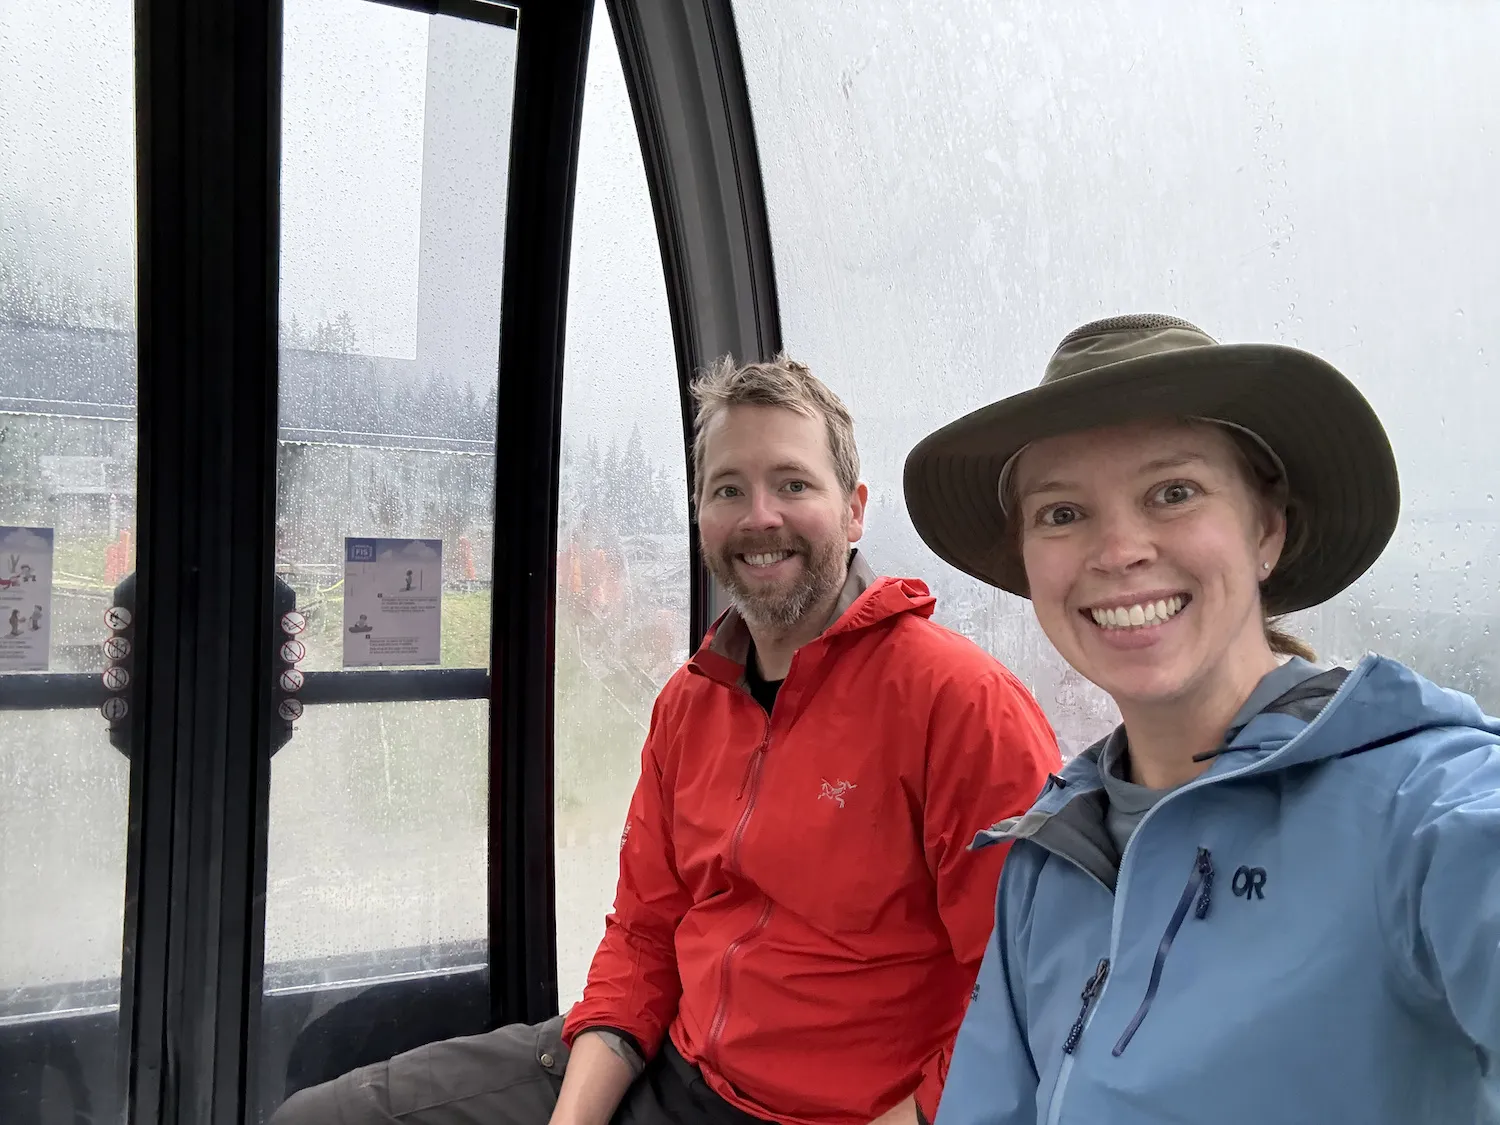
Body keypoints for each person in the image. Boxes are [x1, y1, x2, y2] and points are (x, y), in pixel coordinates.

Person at [272, 354, 1061, 1125]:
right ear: (700, 513)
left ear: (854, 509)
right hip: (673, 1068)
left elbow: (1024, 994)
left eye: (792, 483)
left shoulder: (960, 707)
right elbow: (644, 934)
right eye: (729, 489)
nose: (760, 516)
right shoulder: (691, 703)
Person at [901, 313, 1500, 1125]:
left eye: (1173, 492)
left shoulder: (1423, 805)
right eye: (1062, 513)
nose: (1118, 549)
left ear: (1267, 529)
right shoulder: (1047, 862)